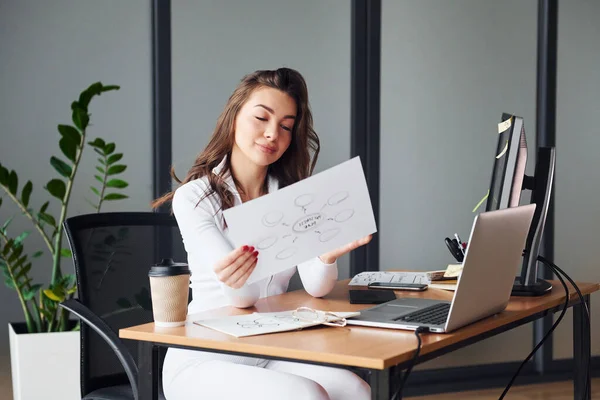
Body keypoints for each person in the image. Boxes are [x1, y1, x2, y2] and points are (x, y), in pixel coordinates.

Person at [152, 67, 372, 400]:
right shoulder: (197, 197)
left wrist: (325, 255)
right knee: (307, 395)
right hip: (203, 357)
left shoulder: (288, 195)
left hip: (266, 351)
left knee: (356, 390)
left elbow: (316, 285)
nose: (273, 134)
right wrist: (237, 276)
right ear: (234, 118)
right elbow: (242, 298)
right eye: (261, 118)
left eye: (286, 126)